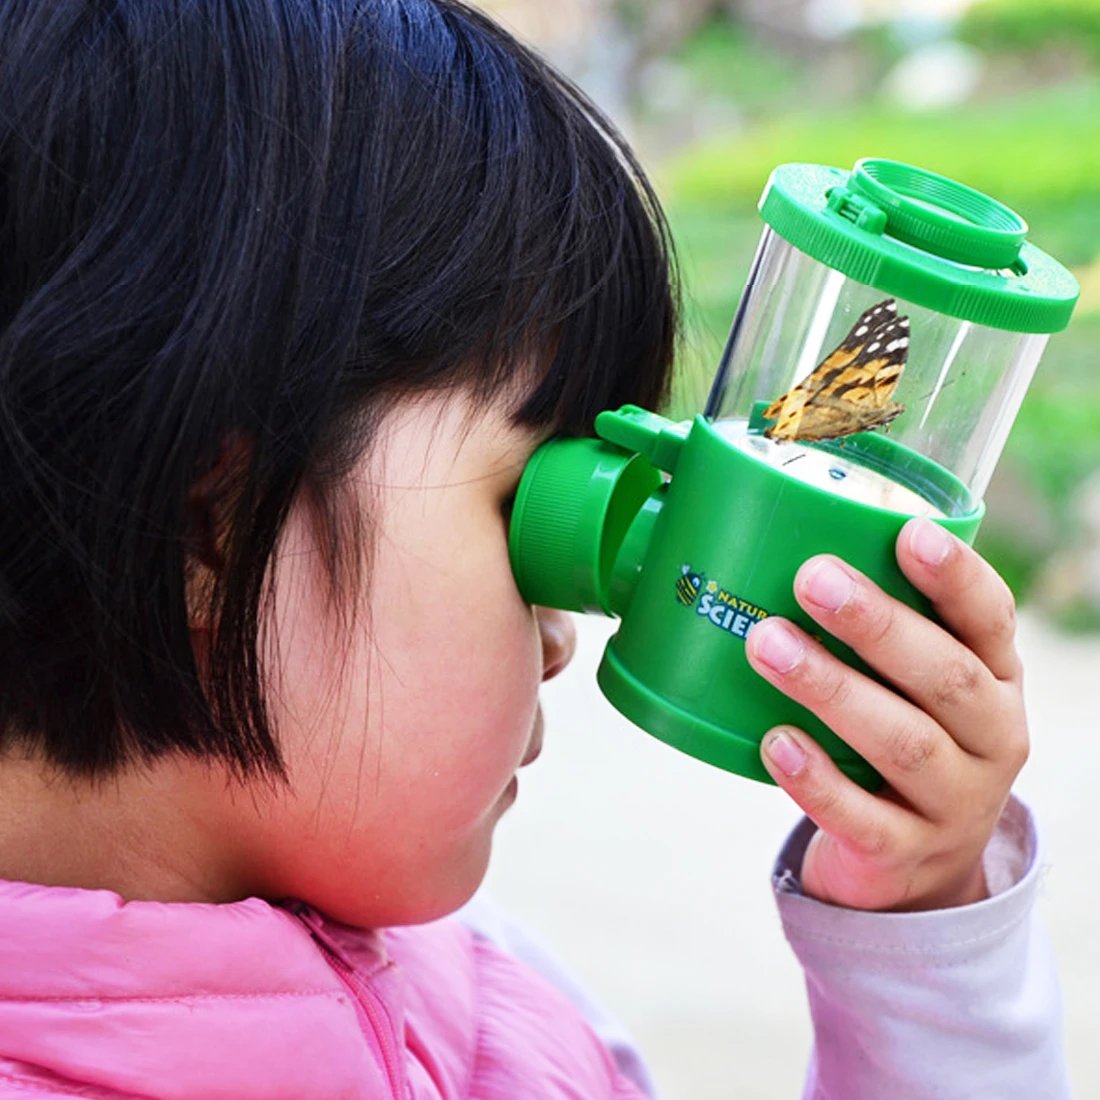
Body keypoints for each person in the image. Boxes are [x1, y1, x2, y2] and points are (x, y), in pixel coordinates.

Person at [0, 1, 1072, 1097]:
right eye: (528, 507)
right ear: (209, 530)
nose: (563, 634)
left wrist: (923, 930)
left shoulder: (476, 979)